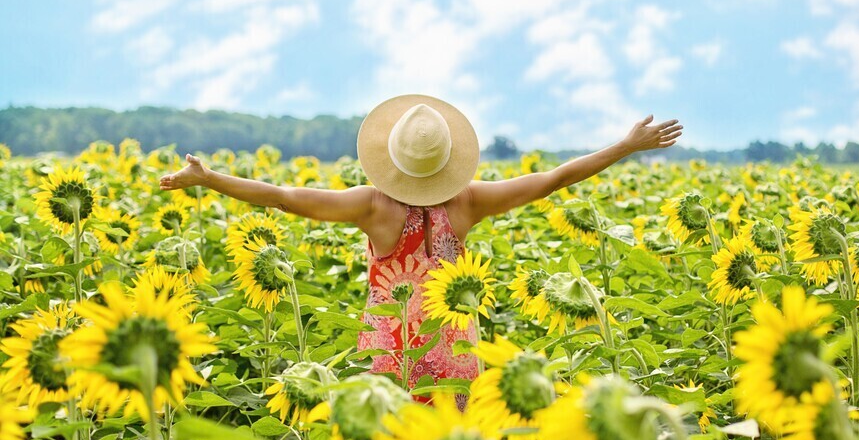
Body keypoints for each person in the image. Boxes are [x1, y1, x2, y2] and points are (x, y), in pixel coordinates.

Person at [160, 94, 682, 391]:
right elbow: (554, 178)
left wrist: (211, 179)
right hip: (457, 355)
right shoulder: (469, 202)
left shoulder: (373, 206)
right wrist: (625, 146)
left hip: (398, 357)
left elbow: (283, 196)